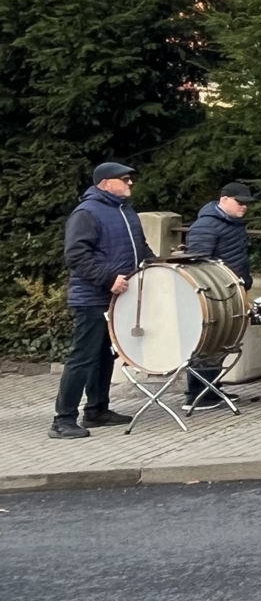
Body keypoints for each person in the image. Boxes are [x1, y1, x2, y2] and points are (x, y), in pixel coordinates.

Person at [48, 162, 148, 439]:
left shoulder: (125, 212)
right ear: (105, 183)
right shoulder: (87, 213)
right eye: (125, 179)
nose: (130, 183)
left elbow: (140, 249)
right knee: (83, 357)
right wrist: (108, 279)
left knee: (105, 355)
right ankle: (63, 419)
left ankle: (97, 410)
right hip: (93, 296)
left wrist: (153, 267)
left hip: (118, 297)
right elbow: (77, 255)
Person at [182, 181, 255, 408]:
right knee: (207, 342)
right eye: (239, 202)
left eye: (246, 204)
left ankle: (211, 389)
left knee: (222, 341)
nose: (244, 207)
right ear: (224, 199)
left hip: (231, 290)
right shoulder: (206, 225)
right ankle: (197, 393)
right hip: (214, 293)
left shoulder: (233, 223)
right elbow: (198, 263)